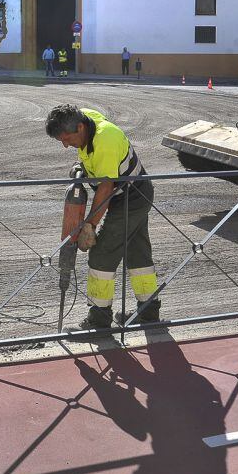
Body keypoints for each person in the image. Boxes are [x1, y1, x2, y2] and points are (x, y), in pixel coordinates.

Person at [45, 104, 160, 328]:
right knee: (138, 253)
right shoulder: (85, 120)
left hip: (130, 198)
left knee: (102, 254)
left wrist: (90, 226)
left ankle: (99, 319)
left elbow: (106, 189)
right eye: (61, 140)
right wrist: (80, 166)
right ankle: (148, 313)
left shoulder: (105, 139)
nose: (65, 145)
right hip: (133, 192)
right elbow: (92, 162)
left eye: (67, 138)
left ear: (80, 127)